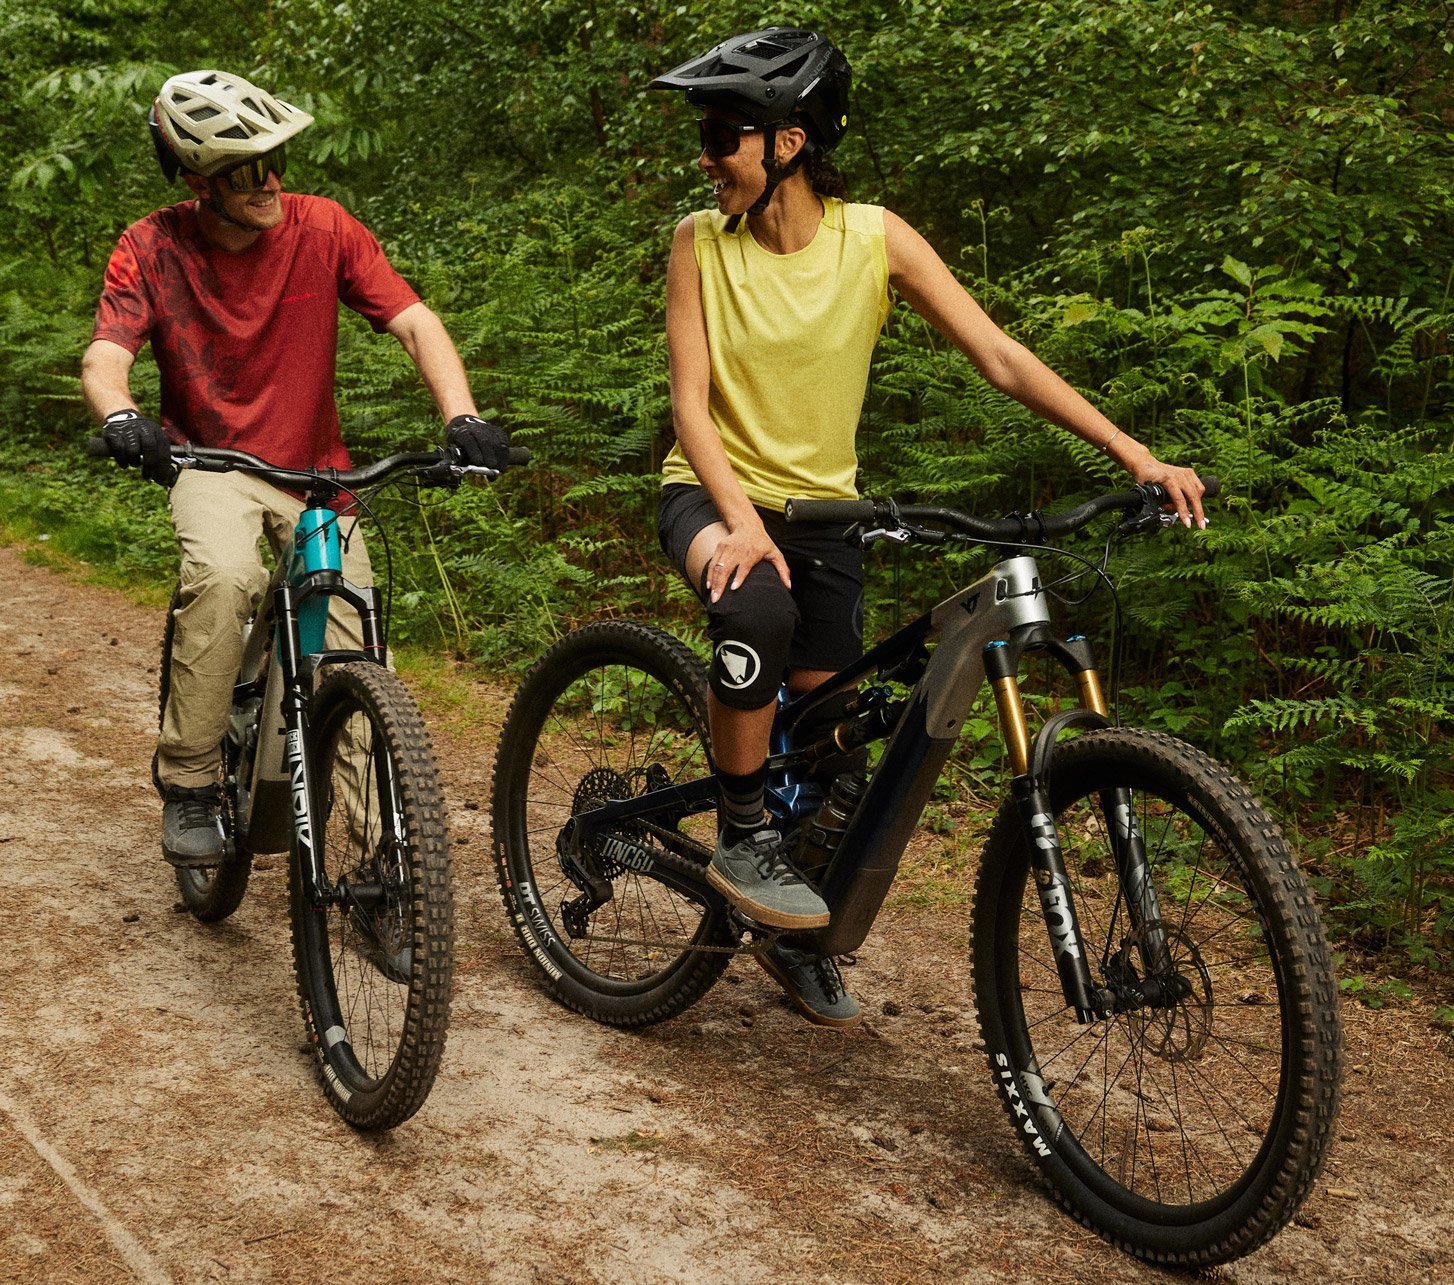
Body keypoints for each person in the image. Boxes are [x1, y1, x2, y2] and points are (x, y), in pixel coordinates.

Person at [650, 29, 1206, 1028]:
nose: (704, 155)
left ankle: (792, 937)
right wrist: (740, 519)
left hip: (829, 516)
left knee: (834, 758)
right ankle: (739, 834)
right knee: (756, 615)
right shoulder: (697, 242)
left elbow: (997, 354)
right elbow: (689, 409)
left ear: (787, 142)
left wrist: (1135, 456)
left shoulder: (874, 239)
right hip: (712, 493)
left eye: (719, 134)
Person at [81, 69, 510, 867]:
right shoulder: (152, 246)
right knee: (223, 575)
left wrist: (463, 415)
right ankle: (192, 780)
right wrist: (122, 415)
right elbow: (106, 358)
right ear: (198, 181)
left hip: (320, 476)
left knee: (351, 643)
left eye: (274, 160)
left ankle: (381, 857)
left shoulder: (325, 229)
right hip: (213, 461)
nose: (269, 182)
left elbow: (415, 323)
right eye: (244, 170)